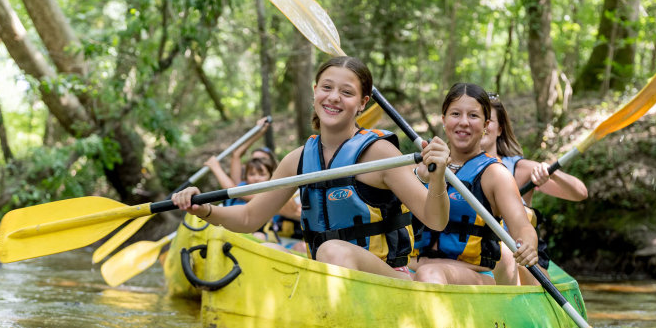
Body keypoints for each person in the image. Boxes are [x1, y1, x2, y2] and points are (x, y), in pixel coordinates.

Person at [172, 56, 450, 280]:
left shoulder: (380, 153)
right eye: (327, 88)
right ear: (314, 92)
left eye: (347, 92)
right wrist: (204, 209)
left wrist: (437, 180)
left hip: (388, 280)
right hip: (327, 276)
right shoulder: (298, 160)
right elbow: (248, 218)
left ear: (363, 103)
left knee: (332, 250)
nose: (333, 98)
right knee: (266, 250)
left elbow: (434, 220)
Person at [412, 83, 538, 285]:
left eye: (473, 116)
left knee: (429, 274)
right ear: (444, 120)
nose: (463, 122)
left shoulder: (495, 174)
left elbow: (522, 227)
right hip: (416, 268)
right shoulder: (423, 166)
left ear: (486, 125)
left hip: (473, 275)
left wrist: (528, 246)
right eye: (455, 114)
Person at [480, 93, 588, 285]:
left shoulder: (520, 170)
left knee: (509, 258)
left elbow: (580, 193)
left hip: (521, 258)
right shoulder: (454, 169)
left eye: (488, 120)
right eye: (477, 117)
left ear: (500, 129)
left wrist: (552, 173)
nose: (481, 125)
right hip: (474, 256)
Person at [229, 117, 275, 184]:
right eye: (254, 160)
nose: (257, 164)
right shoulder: (244, 185)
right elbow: (236, 154)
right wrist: (259, 132)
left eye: (263, 159)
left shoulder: (277, 181)